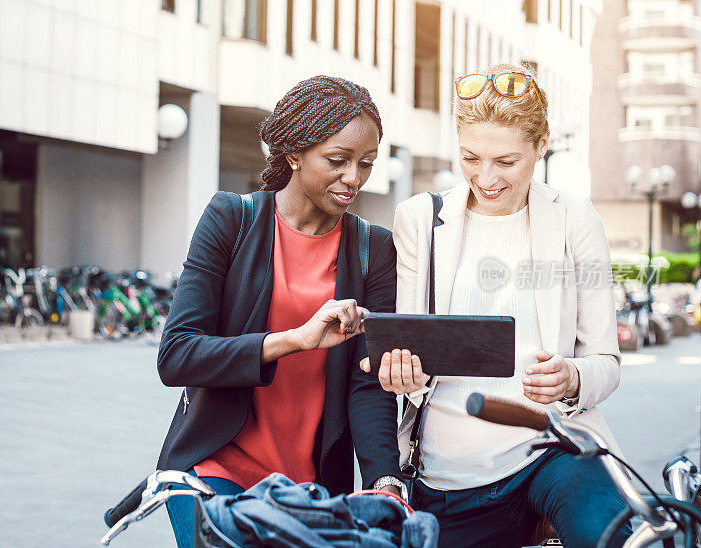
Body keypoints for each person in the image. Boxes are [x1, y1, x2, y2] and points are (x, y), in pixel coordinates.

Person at [363, 63, 631, 547]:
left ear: (540, 145)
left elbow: (606, 362)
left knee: (609, 534)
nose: (485, 178)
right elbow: (407, 352)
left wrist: (572, 377)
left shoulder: (574, 218)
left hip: (550, 449)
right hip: (446, 473)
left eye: (506, 161)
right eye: (471, 156)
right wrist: (403, 372)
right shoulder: (420, 219)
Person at [156, 75, 405, 548]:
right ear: (294, 154)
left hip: (309, 488)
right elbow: (178, 355)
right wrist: (295, 339)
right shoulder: (232, 219)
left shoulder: (375, 249)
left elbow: (367, 382)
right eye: (337, 160)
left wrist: (385, 481)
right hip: (214, 469)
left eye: (366, 163)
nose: (353, 177)